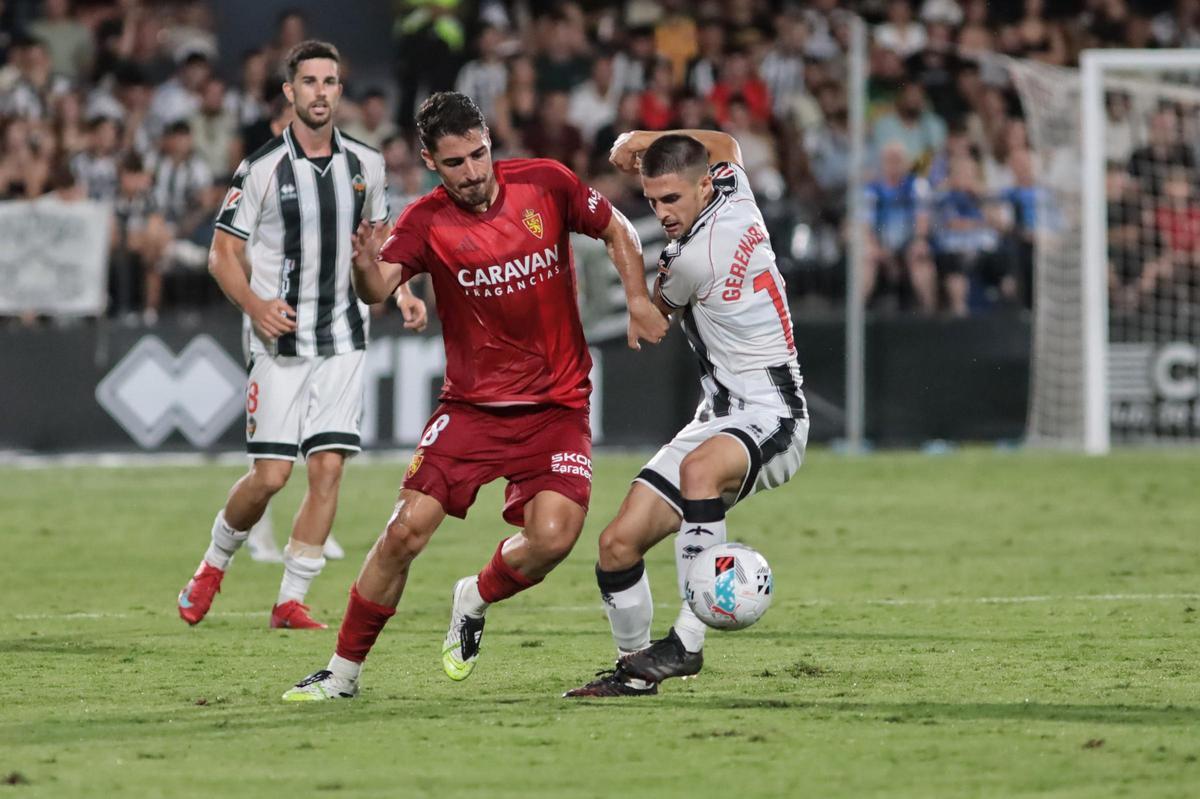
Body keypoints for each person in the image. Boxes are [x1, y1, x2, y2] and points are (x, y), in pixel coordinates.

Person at [281, 91, 668, 701]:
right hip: (471, 410)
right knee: (405, 531)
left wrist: (639, 299)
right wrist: (360, 266)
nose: (473, 172)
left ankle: (475, 596)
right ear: (432, 162)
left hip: (557, 406)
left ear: (491, 143)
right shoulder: (425, 221)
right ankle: (342, 674)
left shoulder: (545, 182)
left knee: (553, 539)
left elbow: (616, 228)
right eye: (457, 162)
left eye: (480, 154)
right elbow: (378, 285)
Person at [176, 40, 427, 631]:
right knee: (270, 477)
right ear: (290, 92)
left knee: (328, 470)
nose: (320, 92)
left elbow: (383, 244)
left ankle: (291, 600)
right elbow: (222, 256)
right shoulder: (261, 168)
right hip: (279, 341)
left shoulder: (366, 164)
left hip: (344, 335)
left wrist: (403, 291)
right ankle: (213, 564)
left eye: (330, 82)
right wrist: (256, 303)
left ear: (340, 91)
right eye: (309, 82)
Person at [564, 129, 809, 697]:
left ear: (702, 186)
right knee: (616, 545)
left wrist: (625, 297)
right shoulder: (736, 193)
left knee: (699, 471)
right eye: (651, 201)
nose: (662, 213)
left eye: (672, 200)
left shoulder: (689, 259)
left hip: (774, 414)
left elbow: (653, 321)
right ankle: (636, 671)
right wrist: (642, 140)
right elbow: (723, 140)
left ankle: (687, 644)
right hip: (717, 415)